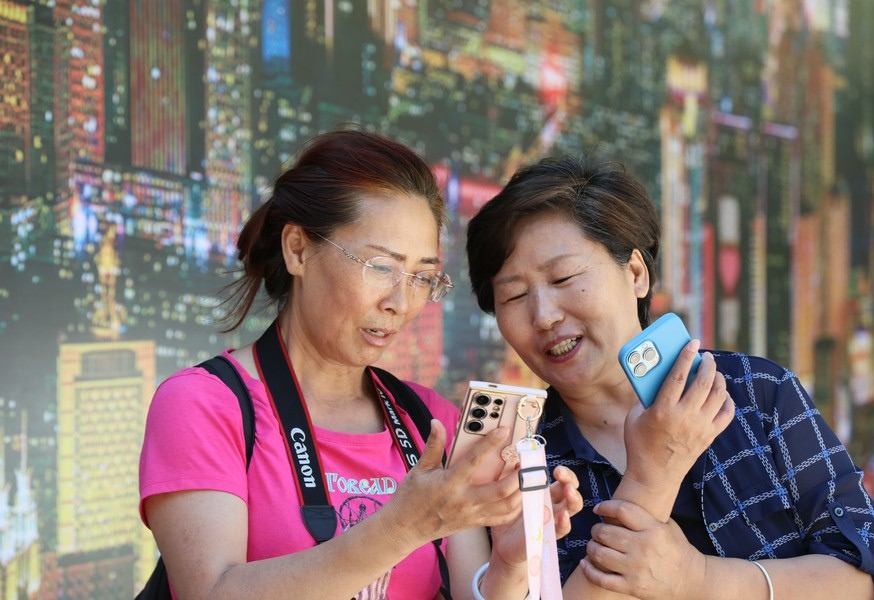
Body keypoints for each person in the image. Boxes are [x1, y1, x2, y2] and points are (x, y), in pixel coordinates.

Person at [138, 129, 582, 600]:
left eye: (422, 277)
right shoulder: (205, 404)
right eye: (381, 267)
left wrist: (510, 565)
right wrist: (404, 527)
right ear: (298, 249)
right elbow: (209, 592)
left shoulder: (429, 421)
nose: (400, 302)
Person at [466, 153, 874, 599]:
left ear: (636, 273)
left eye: (563, 277)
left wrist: (699, 580)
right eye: (514, 296)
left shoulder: (755, 393)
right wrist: (652, 474)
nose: (544, 316)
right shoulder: (517, 466)